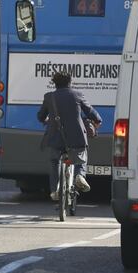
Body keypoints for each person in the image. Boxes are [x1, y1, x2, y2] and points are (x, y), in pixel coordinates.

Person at [37, 72, 102, 201]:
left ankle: (55, 190)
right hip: (76, 137)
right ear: (70, 82)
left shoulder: (49, 97)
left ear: (55, 84)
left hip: (55, 137)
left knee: (54, 162)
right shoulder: (77, 95)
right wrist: (98, 120)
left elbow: (40, 116)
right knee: (81, 157)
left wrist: (46, 120)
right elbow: (90, 112)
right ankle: (80, 175)